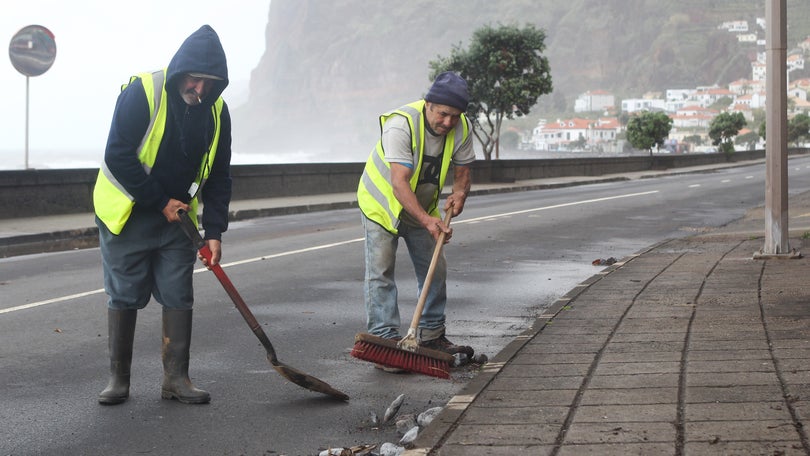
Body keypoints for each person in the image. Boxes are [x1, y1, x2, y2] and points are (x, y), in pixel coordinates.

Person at [93, 25, 232, 405]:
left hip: (178, 221)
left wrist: (216, 230)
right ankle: (118, 380)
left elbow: (219, 176)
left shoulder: (217, 113)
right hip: (128, 215)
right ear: (181, 70)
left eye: (210, 83)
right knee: (124, 295)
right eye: (195, 78)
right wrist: (158, 201)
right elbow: (118, 154)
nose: (200, 89)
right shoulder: (144, 92)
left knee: (178, 293)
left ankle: (176, 379)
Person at [357, 71, 475, 370]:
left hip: (421, 205)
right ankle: (383, 336)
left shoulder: (461, 128)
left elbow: (462, 173)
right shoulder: (402, 124)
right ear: (429, 104)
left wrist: (459, 195)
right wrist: (426, 220)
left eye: (455, 116)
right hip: (382, 204)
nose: (448, 122)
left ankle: (432, 335)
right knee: (381, 271)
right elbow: (399, 183)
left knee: (435, 267)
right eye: (444, 114)